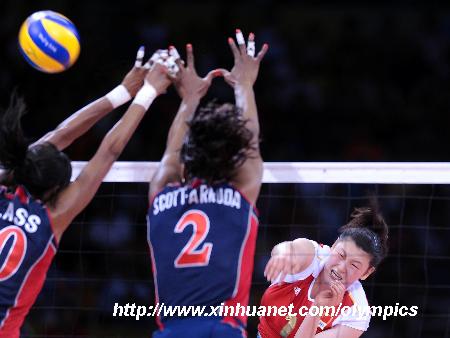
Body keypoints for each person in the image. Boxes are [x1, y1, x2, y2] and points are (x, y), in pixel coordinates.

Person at [0, 48, 171, 338]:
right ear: (55, 191)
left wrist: (122, 92)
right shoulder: (51, 218)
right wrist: (149, 92)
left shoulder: (5, 183)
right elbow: (109, 151)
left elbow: (59, 135)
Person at [147, 29, 268, 337]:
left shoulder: (162, 194)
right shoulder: (239, 197)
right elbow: (251, 145)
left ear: (187, 159)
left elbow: (171, 156)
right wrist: (243, 86)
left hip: (170, 331)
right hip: (221, 329)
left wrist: (189, 98)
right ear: (233, 159)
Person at [258, 205, 389, 338]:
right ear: (334, 245)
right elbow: (290, 248)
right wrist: (282, 253)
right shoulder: (312, 257)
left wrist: (319, 307)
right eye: (341, 255)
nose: (342, 267)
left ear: (366, 273)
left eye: (354, 265)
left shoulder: (357, 311)